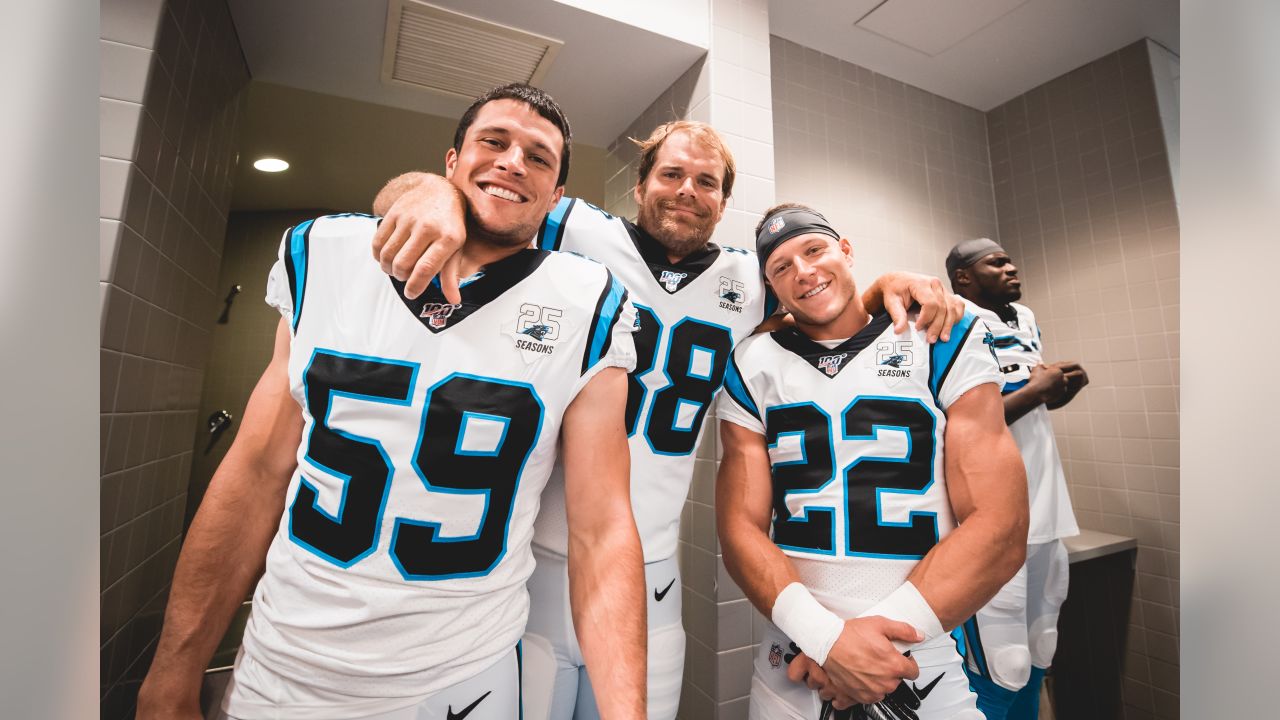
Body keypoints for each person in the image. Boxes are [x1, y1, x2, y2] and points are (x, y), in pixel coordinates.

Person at [370, 124, 968, 720]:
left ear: (722, 203)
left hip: (653, 574)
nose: (687, 190)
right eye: (672, 174)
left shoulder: (748, 281)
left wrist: (889, 286)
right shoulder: (575, 230)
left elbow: (824, 303)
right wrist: (432, 191)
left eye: (706, 182)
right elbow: (476, 205)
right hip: (531, 562)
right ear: (639, 184)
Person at [136, 83, 648, 720]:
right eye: (494, 142)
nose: (515, 161)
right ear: (451, 162)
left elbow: (601, 531)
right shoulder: (326, 255)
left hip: (462, 676)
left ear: (557, 197)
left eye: (539, 157)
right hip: (286, 661)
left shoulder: (588, 303)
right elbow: (254, 473)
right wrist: (172, 672)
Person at [716, 204, 1030, 719]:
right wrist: (826, 641)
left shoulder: (940, 336)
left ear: (846, 249)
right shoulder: (753, 363)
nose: (804, 271)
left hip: (918, 649)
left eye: (813, 249)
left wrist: (868, 645)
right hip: (794, 655)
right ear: (772, 287)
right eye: (781, 267)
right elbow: (739, 528)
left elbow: (1002, 523)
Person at [945, 238, 1087, 720]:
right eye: (997, 262)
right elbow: (958, 424)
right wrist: (1036, 390)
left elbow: (1022, 407)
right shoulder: (950, 319)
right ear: (963, 276)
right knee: (999, 660)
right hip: (992, 519)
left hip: (1047, 509)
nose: (1012, 267)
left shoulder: (1024, 318)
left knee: (1041, 646)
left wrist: (1055, 392)